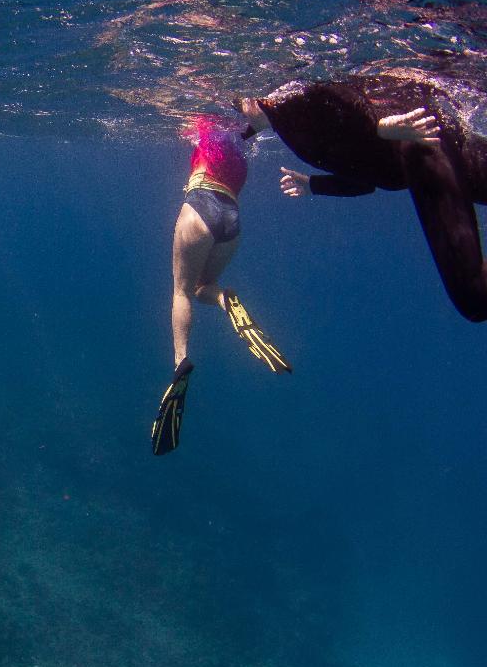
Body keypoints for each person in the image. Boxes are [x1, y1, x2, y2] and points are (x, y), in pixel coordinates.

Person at [235, 70, 487, 322]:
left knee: (474, 296)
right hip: (432, 145)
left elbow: (332, 93)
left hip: (421, 144)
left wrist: (381, 127)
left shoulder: (285, 103)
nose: (241, 115)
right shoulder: (284, 125)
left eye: (240, 106)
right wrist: (313, 184)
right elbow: (365, 181)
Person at [151, 117, 292, 456]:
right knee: (204, 287)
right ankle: (226, 300)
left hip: (200, 202)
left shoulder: (204, 123)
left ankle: (180, 361)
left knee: (181, 291)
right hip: (231, 216)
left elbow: (183, 122)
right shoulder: (242, 138)